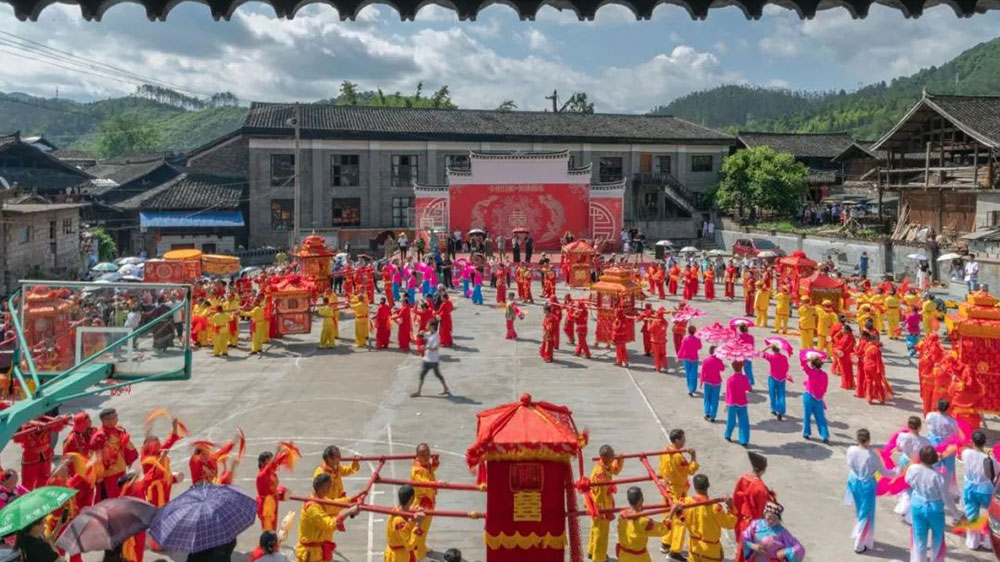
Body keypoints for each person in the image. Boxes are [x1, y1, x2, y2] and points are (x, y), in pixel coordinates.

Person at [905, 446, 961, 562]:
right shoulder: (939, 477)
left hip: (917, 506)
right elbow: (947, 499)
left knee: (919, 539)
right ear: (935, 459)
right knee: (938, 539)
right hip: (935, 509)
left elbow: (907, 481)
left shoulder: (913, 469)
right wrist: (957, 514)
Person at [845, 428, 893, 554]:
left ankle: (859, 534)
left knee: (859, 510)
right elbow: (884, 472)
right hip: (867, 484)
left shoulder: (851, 450)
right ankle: (860, 544)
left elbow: (849, 464)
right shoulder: (872, 455)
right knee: (866, 514)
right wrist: (898, 472)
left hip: (853, 481)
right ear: (868, 440)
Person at [296, 473, 360, 562]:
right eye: (329, 486)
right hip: (310, 554)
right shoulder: (312, 508)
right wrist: (349, 512)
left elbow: (334, 504)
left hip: (319, 552)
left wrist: (352, 500)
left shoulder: (320, 499)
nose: (331, 489)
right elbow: (328, 523)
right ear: (322, 488)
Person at [659, 430, 698, 560]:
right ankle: (674, 551)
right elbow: (690, 470)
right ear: (676, 440)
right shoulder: (678, 457)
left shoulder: (665, 451)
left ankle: (666, 542)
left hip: (667, 487)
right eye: (682, 439)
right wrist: (693, 457)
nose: (684, 441)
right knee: (680, 519)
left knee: (667, 514)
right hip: (677, 490)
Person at [616, 487, 680, 562]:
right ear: (641, 500)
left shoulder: (622, 515)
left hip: (624, 555)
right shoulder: (644, 522)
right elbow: (663, 529)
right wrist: (671, 513)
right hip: (638, 558)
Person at [732, 452, 774, 562]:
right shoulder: (760, 488)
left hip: (743, 520)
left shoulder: (743, 478)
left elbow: (736, 499)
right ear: (763, 470)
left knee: (741, 552)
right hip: (753, 526)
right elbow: (762, 511)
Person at [685, 474, 736, 562]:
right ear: (708, 486)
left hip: (694, 548)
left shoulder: (686, 502)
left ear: (695, 487)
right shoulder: (715, 508)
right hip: (710, 551)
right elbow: (730, 524)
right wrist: (731, 508)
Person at [90, 408, 138, 500]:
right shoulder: (99, 436)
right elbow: (96, 455)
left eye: (116, 417)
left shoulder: (119, 430)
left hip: (121, 467)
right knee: (113, 496)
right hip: (108, 472)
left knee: (124, 492)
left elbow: (126, 446)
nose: (115, 419)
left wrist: (130, 459)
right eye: (112, 418)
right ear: (104, 420)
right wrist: (99, 473)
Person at [587, 445, 624, 562]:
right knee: (601, 533)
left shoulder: (605, 466)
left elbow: (615, 470)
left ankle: (592, 551)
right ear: (604, 457)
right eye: (611, 456)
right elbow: (605, 484)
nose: (613, 458)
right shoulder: (599, 472)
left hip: (603, 503)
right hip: (601, 506)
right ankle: (599, 558)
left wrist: (619, 460)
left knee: (595, 529)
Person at [960, 430, 995, 551]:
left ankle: (972, 542)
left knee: (971, 515)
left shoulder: (966, 453)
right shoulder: (989, 459)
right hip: (986, 488)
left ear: (972, 441)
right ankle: (989, 542)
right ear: (984, 443)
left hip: (969, 487)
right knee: (990, 515)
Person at [740, 502, 805, 562]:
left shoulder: (782, 532)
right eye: (769, 518)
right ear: (764, 515)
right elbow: (744, 538)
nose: (771, 521)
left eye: (774, 519)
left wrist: (785, 552)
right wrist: (752, 546)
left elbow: (800, 548)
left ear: (779, 519)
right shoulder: (756, 524)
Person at [312, 446, 360, 517]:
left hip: (336, 503)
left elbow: (347, 470)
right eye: (337, 456)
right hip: (328, 506)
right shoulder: (320, 474)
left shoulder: (336, 467)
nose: (340, 458)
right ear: (329, 459)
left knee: (354, 503)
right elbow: (321, 496)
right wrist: (347, 501)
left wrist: (355, 463)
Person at [925, 399, 959, 497]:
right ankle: (950, 491)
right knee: (949, 469)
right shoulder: (952, 421)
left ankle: (933, 487)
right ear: (948, 408)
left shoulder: (930, 416)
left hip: (933, 445)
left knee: (934, 466)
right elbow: (956, 434)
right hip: (948, 447)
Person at [410, 444, 438, 559]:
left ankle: (422, 547)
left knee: (425, 529)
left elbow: (430, 472)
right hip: (422, 504)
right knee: (420, 529)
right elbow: (425, 484)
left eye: (427, 453)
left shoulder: (426, 465)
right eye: (422, 454)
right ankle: (419, 555)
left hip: (429, 501)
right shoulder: (416, 471)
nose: (426, 456)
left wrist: (435, 464)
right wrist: (438, 484)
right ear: (417, 456)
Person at [384, 485, 426, 562]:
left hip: (394, 552)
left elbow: (407, 523)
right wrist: (418, 525)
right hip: (400, 557)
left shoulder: (395, 510)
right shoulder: (400, 522)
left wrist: (414, 515)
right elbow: (410, 545)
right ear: (411, 499)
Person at [412, 319, 450, 397]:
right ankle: (445, 388)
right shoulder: (431, 333)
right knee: (438, 374)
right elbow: (424, 335)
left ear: (432, 326)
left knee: (423, 374)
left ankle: (419, 392)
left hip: (431, 360)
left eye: (428, 325)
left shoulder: (435, 337)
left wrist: (426, 347)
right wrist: (421, 334)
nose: (426, 326)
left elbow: (435, 348)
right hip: (431, 359)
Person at [800, 350, 830, 444]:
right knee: (821, 418)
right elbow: (825, 388)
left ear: (812, 365)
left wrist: (810, 358)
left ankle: (806, 433)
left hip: (808, 396)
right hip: (819, 398)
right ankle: (825, 435)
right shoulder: (825, 375)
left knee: (807, 415)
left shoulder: (810, 372)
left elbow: (802, 362)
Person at [724, 361, 752, 447]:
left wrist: (726, 404)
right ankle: (744, 440)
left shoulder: (729, 380)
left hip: (731, 403)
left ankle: (727, 435)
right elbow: (749, 389)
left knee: (731, 421)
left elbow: (727, 393)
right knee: (744, 423)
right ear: (741, 367)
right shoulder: (744, 378)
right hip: (742, 403)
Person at [761, 343, 789, 421]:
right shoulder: (784, 358)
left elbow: (760, 353)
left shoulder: (771, 357)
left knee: (772, 394)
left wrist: (767, 347)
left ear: (772, 349)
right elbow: (786, 367)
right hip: (782, 378)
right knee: (781, 395)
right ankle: (781, 411)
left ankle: (773, 409)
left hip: (772, 378)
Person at [677, 326, 702, 396]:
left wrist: (679, 356)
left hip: (687, 358)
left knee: (688, 373)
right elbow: (699, 347)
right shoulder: (697, 339)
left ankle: (690, 388)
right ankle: (693, 388)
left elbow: (682, 348)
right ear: (694, 331)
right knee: (694, 374)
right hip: (694, 358)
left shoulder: (685, 339)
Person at [700, 347, 723, 422]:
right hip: (717, 382)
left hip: (708, 381)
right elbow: (722, 369)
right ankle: (713, 416)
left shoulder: (705, 360)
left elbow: (703, 372)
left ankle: (707, 413)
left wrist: (701, 382)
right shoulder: (719, 360)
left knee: (707, 398)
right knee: (715, 399)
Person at [834, 324, 856, 390]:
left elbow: (842, 347)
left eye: (843, 329)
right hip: (847, 355)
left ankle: (846, 384)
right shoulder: (849, 336)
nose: (841, 330)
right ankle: (850, 383)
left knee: (844, 371)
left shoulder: (846, 337)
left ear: (846, 330)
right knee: (848, 370)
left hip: (844, 355)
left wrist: (836, 350)